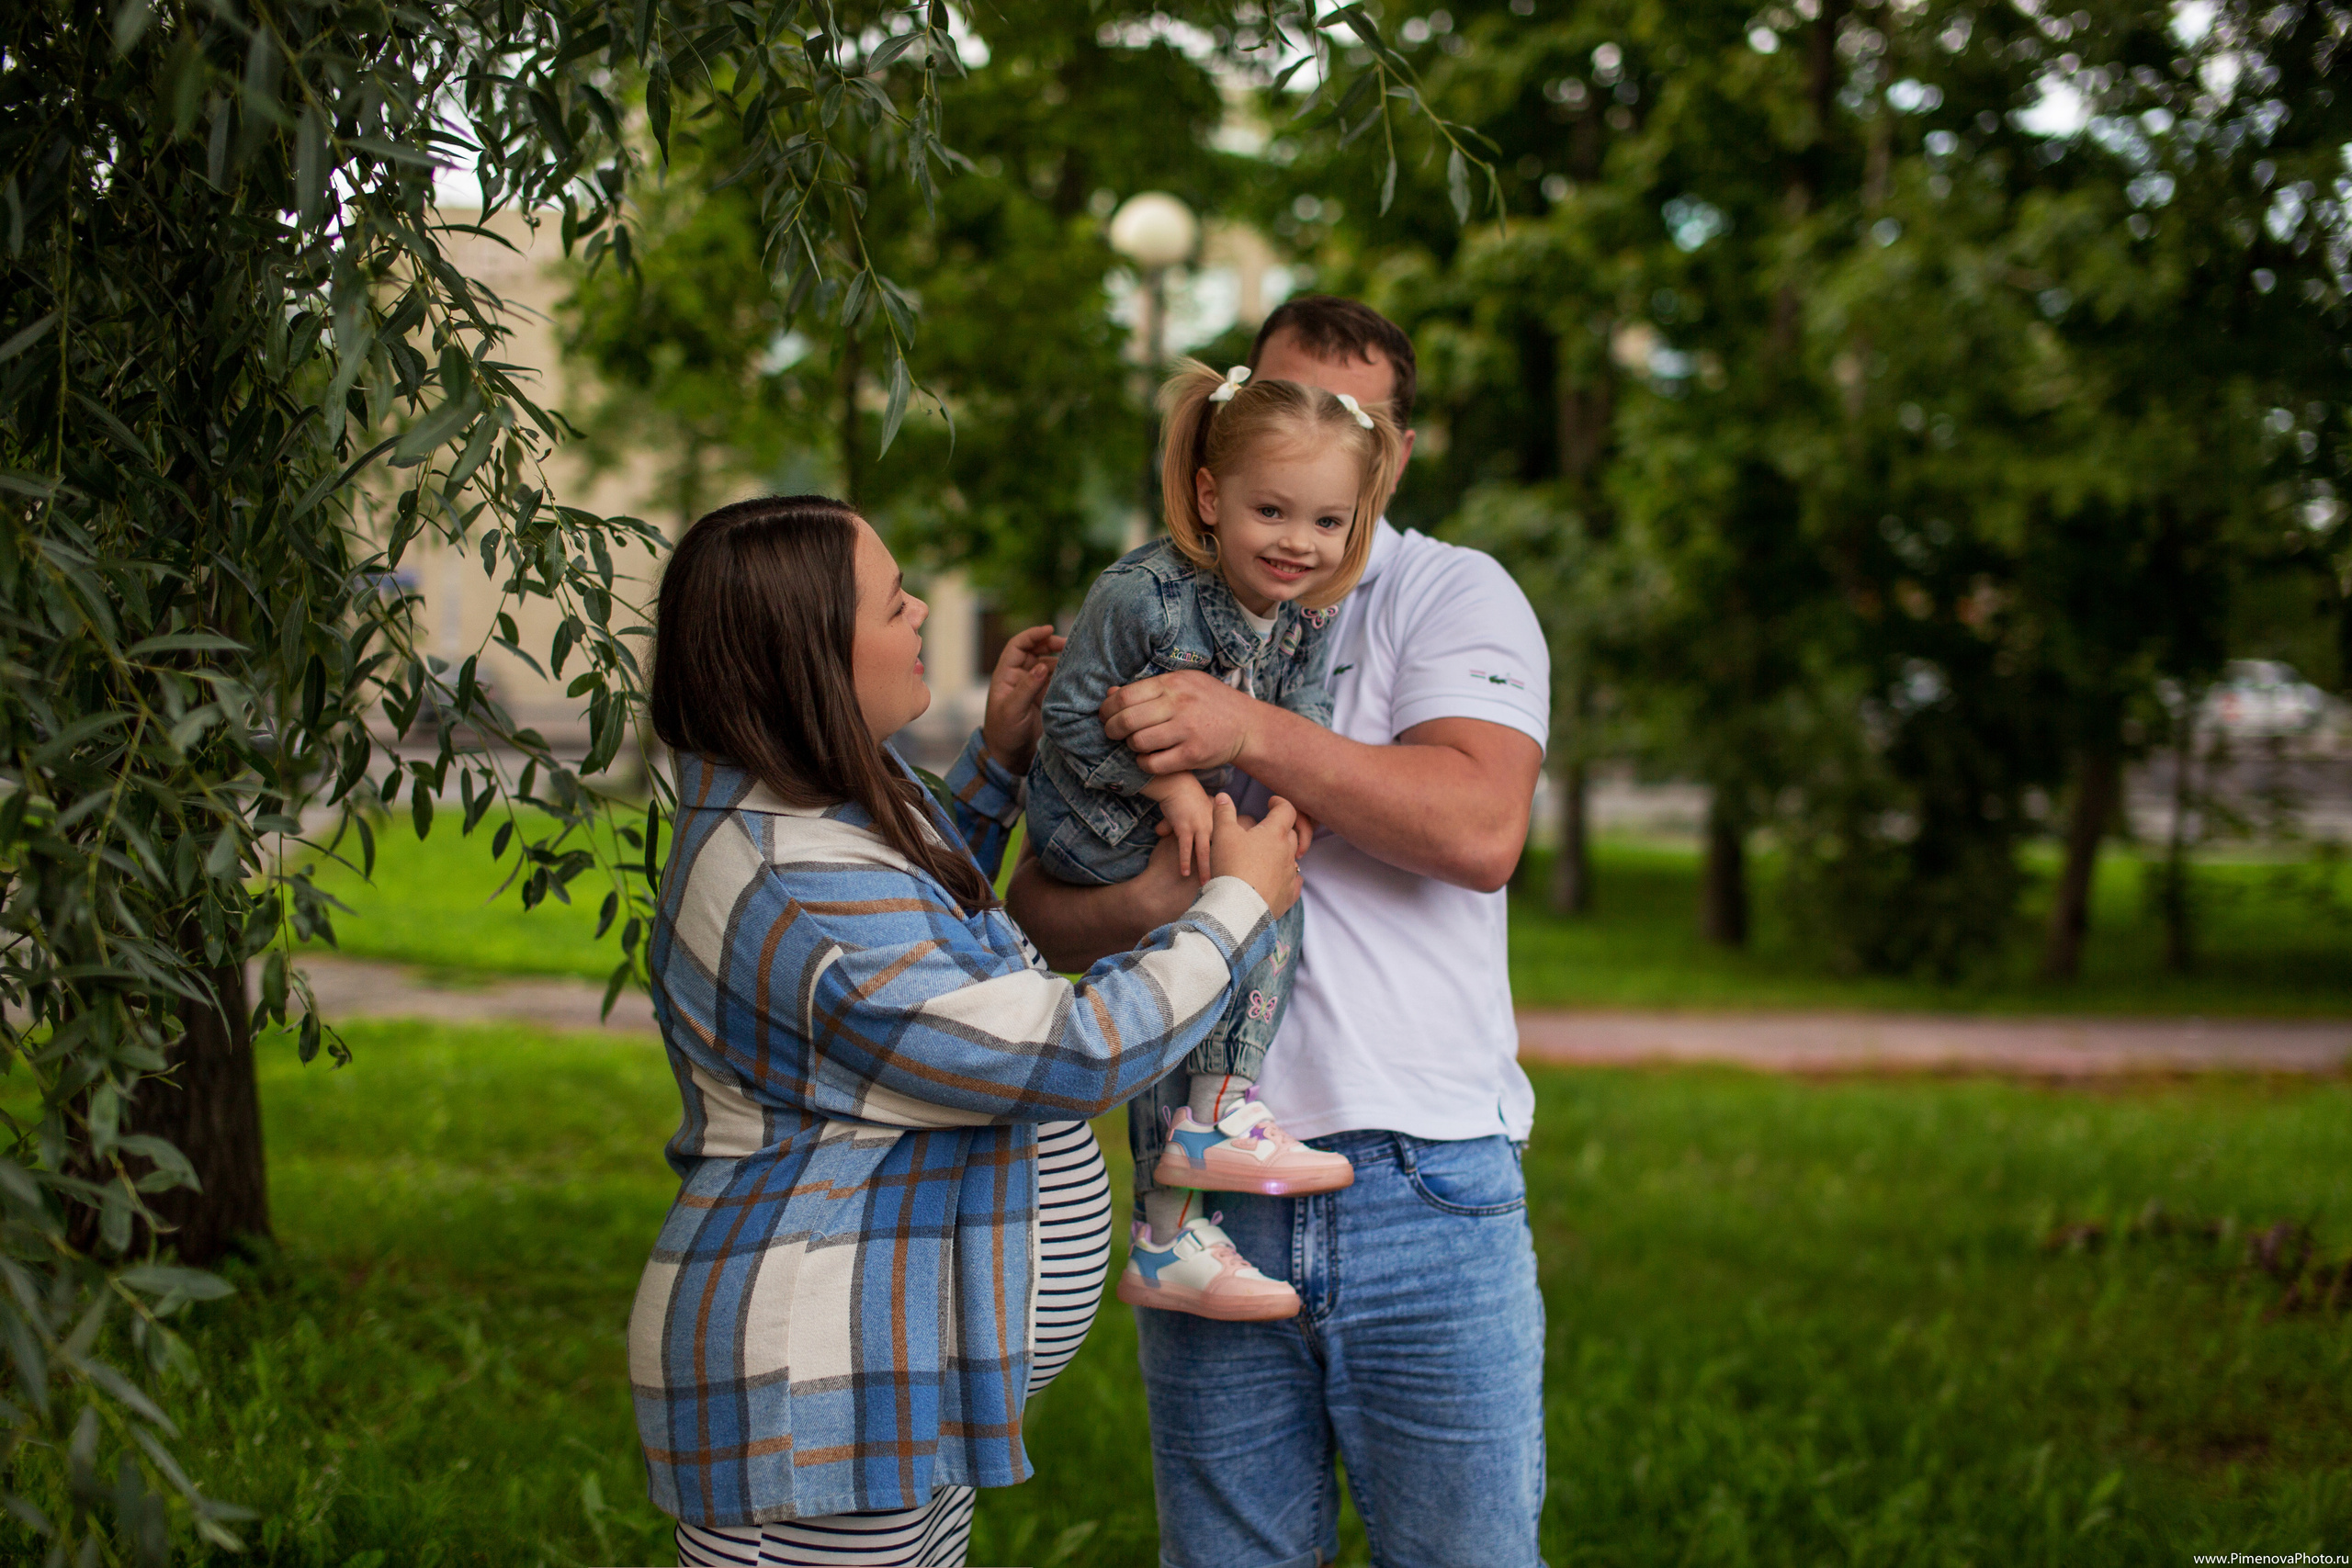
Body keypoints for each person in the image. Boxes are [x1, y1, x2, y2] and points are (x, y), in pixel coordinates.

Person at [630, 494, 1308, 1568]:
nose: (920, 615)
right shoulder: (794, 885)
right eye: (893, 602)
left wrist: (994, 764)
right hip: (820, 1382)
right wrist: (1233, 910)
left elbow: (920, 915)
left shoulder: (809, 809)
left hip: (885, 1365)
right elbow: (1061, 1053)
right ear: (807, 651)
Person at [1006, 297, 1552, 1568]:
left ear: (1396, 451)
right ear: (1223, 446)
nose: (1309, 455)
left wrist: (1241, 732)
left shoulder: (1450, 590)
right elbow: (1039, 904)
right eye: (1281, 406)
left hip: (1418, 1174)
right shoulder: (1155, 598)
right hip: (1202, 1193)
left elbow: (1479, 830)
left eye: (1351, 426)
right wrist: (1169, 895)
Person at [1027, 358, 1406, 1320]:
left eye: (1326, 523)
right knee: (1217, 928)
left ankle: (1180, 1204)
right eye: (1270, 513)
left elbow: (1304, 705)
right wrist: (1170, 786)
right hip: (1094, 813)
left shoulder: (1309, 610)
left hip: (1177, 810)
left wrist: (1298, 794)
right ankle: (1184, 1182)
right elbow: (1068, 717)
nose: (1297, 545)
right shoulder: (1142, 595)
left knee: (1259, 908)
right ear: (1209, 495)